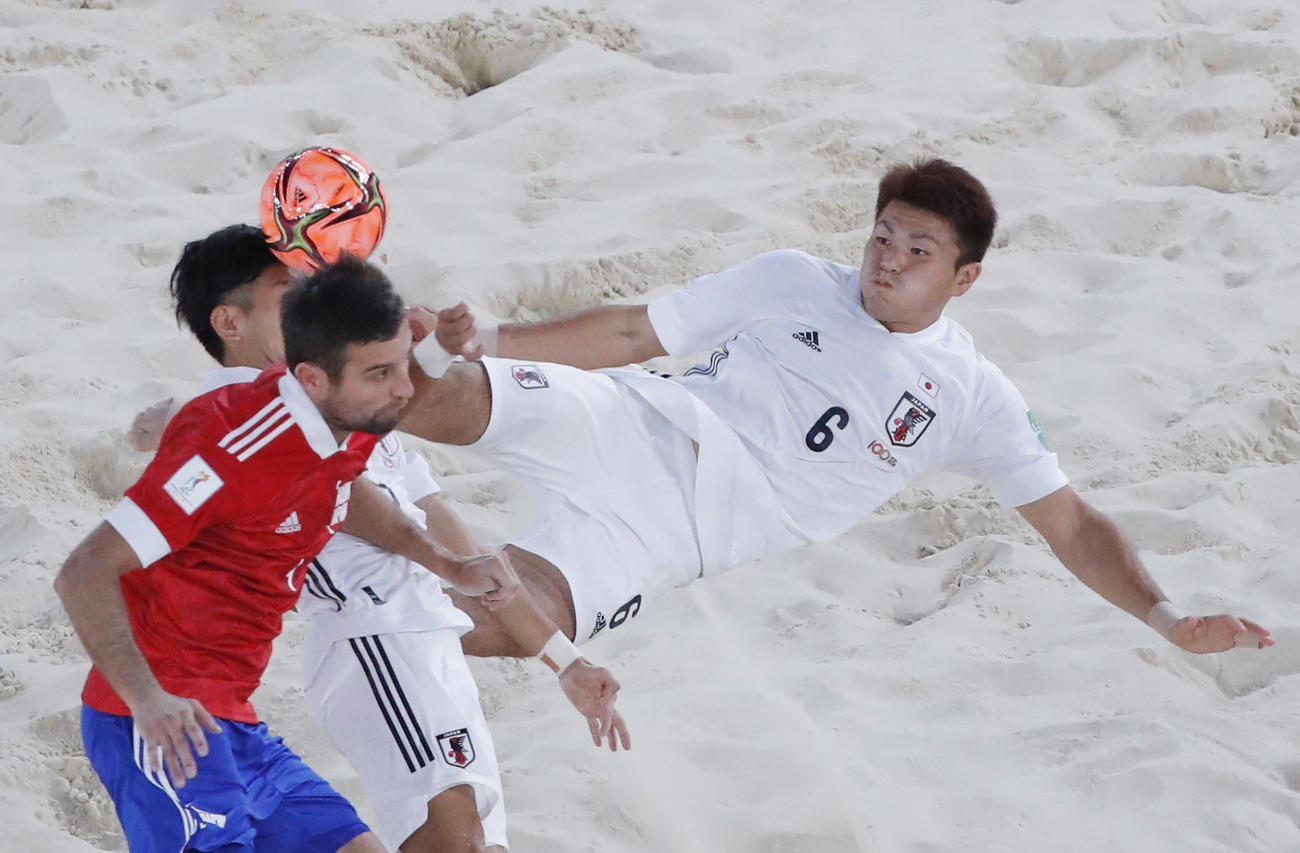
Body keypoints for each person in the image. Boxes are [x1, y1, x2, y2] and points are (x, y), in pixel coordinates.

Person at [393, 158, 1273, 660]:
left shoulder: (971, 396)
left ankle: (339, 566)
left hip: (686, 530)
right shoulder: (791, 279)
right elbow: (633, 333)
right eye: (883, 234)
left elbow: (1075, 525)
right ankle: (279, 379)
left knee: (511, 622)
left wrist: (1166, 618)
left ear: (965, 278)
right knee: (434, 394)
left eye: (918, 249)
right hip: (641, 419)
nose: (886, 259)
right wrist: (495, 338)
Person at [130, 225, 629, 852]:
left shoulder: (353, 404)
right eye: (288, 287)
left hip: (430, 638)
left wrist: (565, 661)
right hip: (371, 640)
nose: (310, 294)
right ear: (229, 322)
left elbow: (463, 549)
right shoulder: (234, 412)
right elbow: (322, 480)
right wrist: (175, 414)